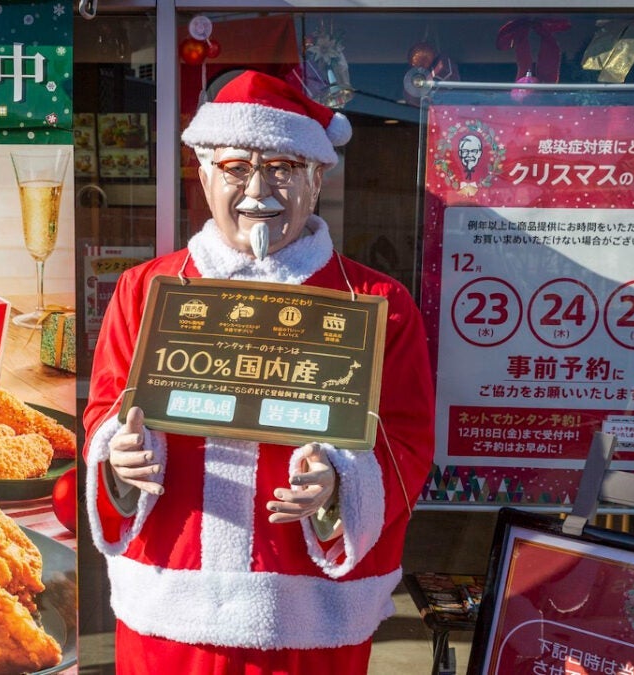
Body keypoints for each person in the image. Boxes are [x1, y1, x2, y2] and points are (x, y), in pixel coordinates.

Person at [83, 69, 436, 674]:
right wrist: (116, 457)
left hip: (306, 615)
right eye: (236, 167)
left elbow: (407, 441)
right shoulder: (147, 289)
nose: (258, 189)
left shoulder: (375, 301)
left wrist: (341, 486)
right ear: (203, 172)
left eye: (282, 167)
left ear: (318, 177)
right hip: (171, 607)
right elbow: (105, 411)